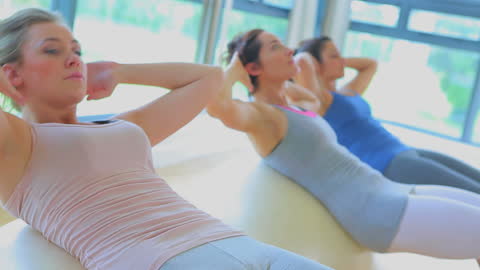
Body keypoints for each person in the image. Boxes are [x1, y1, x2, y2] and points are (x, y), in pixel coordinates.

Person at [0, 9, 334, 270]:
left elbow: (208, 77)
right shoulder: (18, 141)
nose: (74, 59)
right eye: (52, 51)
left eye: (76, 50)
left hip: (235, 242)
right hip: (161, 261)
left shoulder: (122, 127)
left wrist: (120, 72)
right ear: (12, 74)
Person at [207, 28, 480, 264]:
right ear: (252, 67)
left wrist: (281, 89)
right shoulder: (263, 117)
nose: (290, 50)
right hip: (376, 209)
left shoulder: (296, 107)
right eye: (276, 47)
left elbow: (310, 100)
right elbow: (218, 106)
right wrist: (236, 67)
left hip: (390, 189)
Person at [293, 36, 480, 194]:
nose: (341, 60)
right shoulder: (319, 100)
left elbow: (370, 65)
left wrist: (339, 61)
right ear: (315, 64)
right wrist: (306, 56)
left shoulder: (347, 92)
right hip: (389, 164)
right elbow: (302, 61)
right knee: (473, 191)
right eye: (334, 56)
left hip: (405, 151)